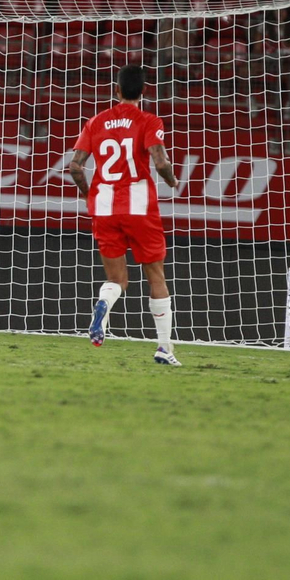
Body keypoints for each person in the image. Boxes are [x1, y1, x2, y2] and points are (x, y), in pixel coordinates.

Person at [68, 62, 182, 366]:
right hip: (139, 207)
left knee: (117, 279)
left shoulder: (95, 122)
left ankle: (103, 304)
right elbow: (160, 161)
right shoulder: (148, 120)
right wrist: (173, 182)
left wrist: (87, 193)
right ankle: (164, 348)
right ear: (143, 91)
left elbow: (75, 166)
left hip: (104, 207)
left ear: (116, 90)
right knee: (155, 275)